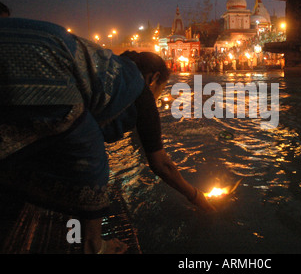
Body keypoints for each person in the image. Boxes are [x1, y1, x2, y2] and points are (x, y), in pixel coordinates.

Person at [0, 18, 215, 254]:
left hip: (19, 50)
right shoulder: (137, 87)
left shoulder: (107, 67)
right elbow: (161, 164)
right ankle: (94, 245)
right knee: (91, 157)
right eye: (159, 90)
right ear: (152, 79)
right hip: (45, 69)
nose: (154, 98)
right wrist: (195, 196)